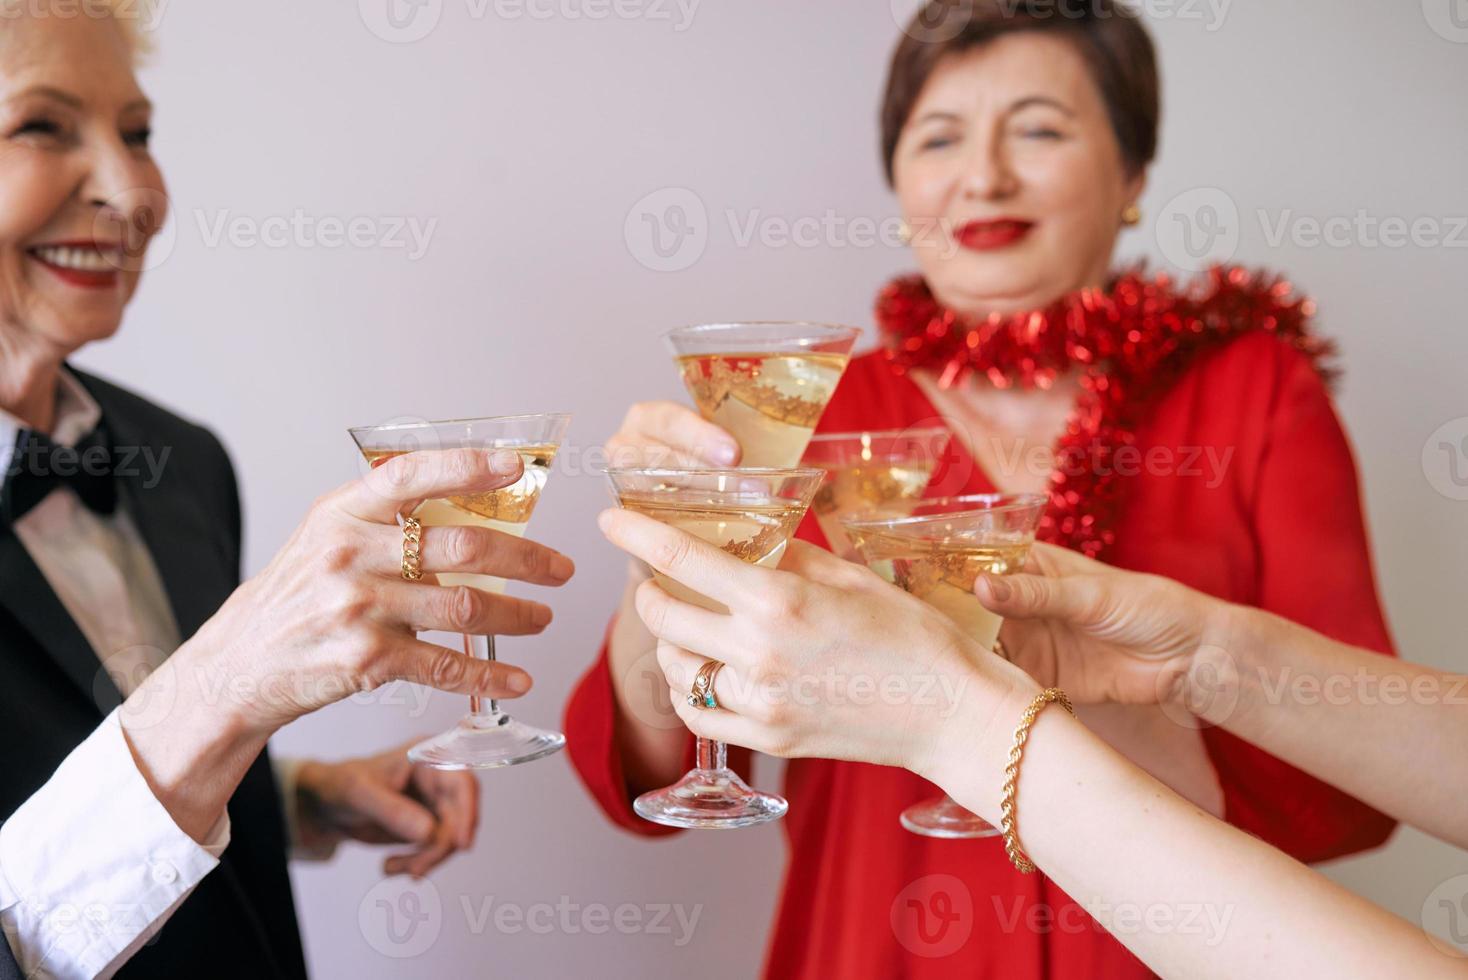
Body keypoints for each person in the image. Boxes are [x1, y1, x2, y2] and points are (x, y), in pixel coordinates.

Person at [567, 1, 1397, 975]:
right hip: (873, 941)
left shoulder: (1253, 390)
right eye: (938, 136)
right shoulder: (809, 414)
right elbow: (661, 774)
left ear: (1132, 173)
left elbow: (1356, 770)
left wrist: (1099, 706)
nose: (983, 174)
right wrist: (658, 578)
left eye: (1039, 128)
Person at [0, 7, 573, 978]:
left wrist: (301, 798)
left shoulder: (182, 458)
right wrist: (229, 681)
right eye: (43, 126)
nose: (131, 187)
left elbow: (86, 763)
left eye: (137, 132)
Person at [595, 509, 1467, 979]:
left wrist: (959, 720)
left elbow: (1338, 813)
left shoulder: (1259, 377)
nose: (986, 175)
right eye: (932, 154)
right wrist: (1202, 655)